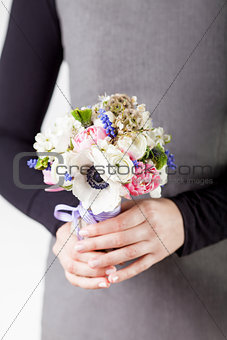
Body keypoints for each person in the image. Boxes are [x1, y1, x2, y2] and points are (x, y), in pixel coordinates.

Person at [0, 0, 226, 339]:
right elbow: (4, 136)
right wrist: (66, 220)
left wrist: (189, 219)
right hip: (82, 312)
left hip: (210, 306)